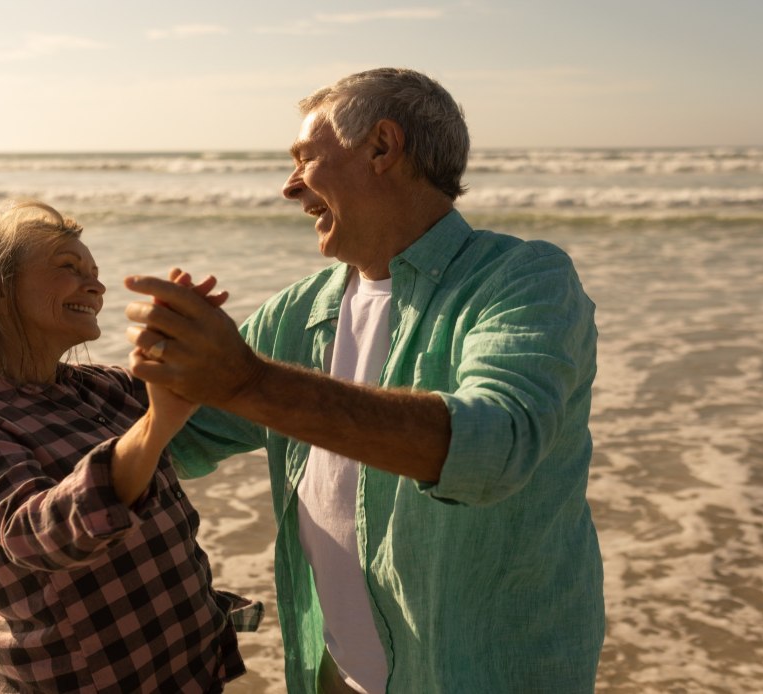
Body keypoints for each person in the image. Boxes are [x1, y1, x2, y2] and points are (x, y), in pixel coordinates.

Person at [123, 68, 604, 693]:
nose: (290, 187)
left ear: (382, 147)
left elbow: (495, 449)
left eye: (306, 158)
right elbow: (179, 444)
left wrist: (246, 382)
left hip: (482, 674)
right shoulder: (299, 311)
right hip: (331, 671)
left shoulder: (522, 278)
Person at [0, 199, 260, 693]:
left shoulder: (102, 387)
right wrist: (157, 424)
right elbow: (37, 536)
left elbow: (228, 412)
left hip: (188, 666)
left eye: (94, 271)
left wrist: (200, 339)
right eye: (69, 268)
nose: (94, 285)